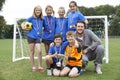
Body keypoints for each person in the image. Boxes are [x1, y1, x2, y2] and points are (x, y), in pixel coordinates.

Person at [21, 5, 44, 72]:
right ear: (34, 11)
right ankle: (33, 66)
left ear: (41, 11)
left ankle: (40, 66)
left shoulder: (42, 19)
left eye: (39, 10)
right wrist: (24, 28)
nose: (38, 11)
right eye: (36, 10)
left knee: (39, 51)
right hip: (31, 36)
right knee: (32, 52)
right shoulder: (31, 18)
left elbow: (44, 27)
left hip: (38, 37)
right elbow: (23, 23)